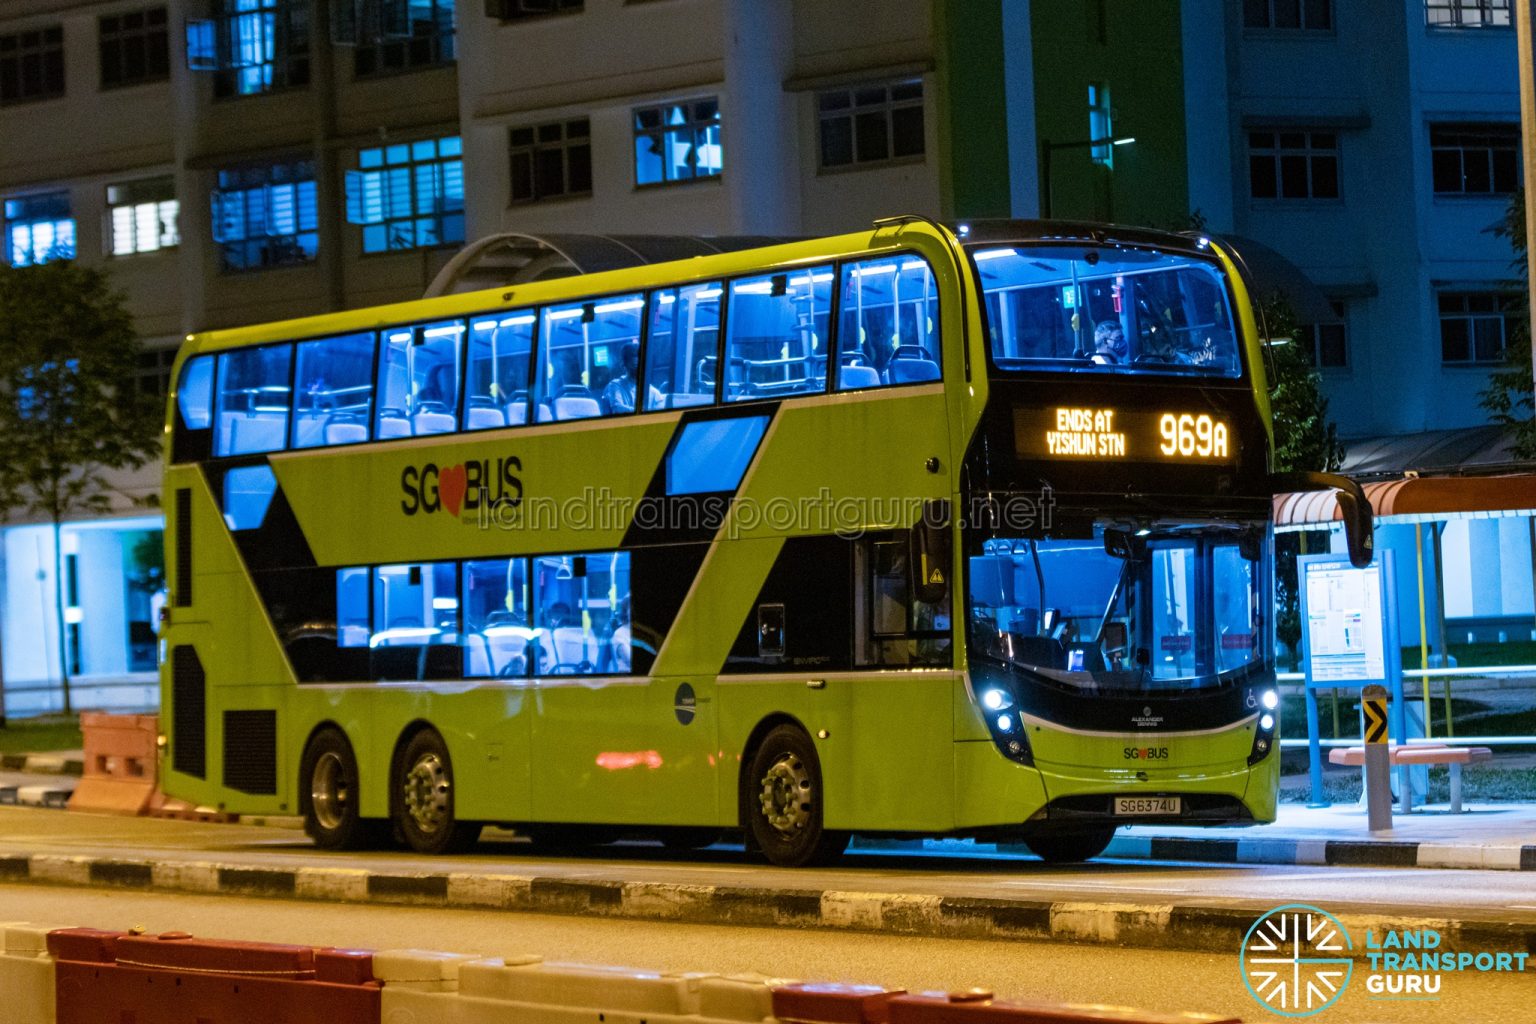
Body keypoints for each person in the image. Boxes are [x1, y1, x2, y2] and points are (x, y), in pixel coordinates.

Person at [601, 342, 663, 414]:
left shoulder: (654, 393)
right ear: (624, 364)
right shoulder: (615, 385)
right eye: (634, 366)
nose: (638, 369)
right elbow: (617, 409)